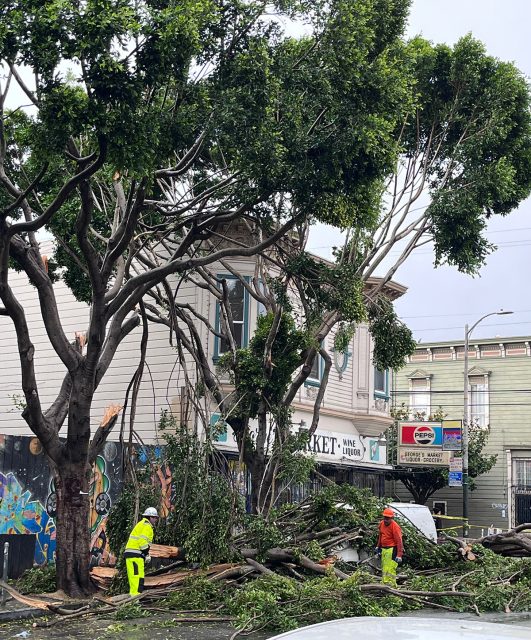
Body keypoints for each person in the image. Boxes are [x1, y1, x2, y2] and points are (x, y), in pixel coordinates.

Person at [124, 507, 159, 596]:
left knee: (133, 577)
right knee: (138, 577)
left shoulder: (141, 524)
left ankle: (133, 597)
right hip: (136, 555)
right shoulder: (147, 526)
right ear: (150, 517)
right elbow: (142, 541)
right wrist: (146, 554)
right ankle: (135, 599)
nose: (156, 520)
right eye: (154, 517)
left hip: (131, 554)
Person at [375, 507, 404, 587]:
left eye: (388, 518)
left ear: (391, 518)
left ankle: (391, 586)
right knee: (384, 567)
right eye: (385, 518)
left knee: (390, 569)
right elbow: (380, 536)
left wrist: (399, 555)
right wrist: (378, 547)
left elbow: (399, 541)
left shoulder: (395, 526)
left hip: (392, 549)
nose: (386, 520)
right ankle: (385, 584)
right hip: (384, 549)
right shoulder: (381, 524)